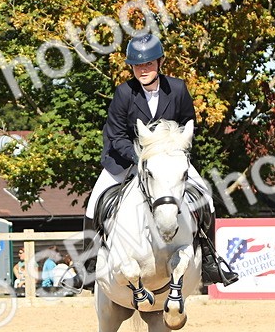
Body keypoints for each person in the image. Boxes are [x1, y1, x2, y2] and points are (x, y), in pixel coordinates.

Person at [84, 32, 238, 286]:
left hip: (168, 158)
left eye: (148, 64)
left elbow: (189, 122)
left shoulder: (177, 89)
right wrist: (141, 157)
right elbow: (115, 135)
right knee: (94, 202)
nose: (143, 70)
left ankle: (210, 260)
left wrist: (175, 148)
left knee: (206, 198)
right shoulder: (124, 93)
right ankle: (88, 263)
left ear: (159, 63)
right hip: (126, 158)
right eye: (137, 65)